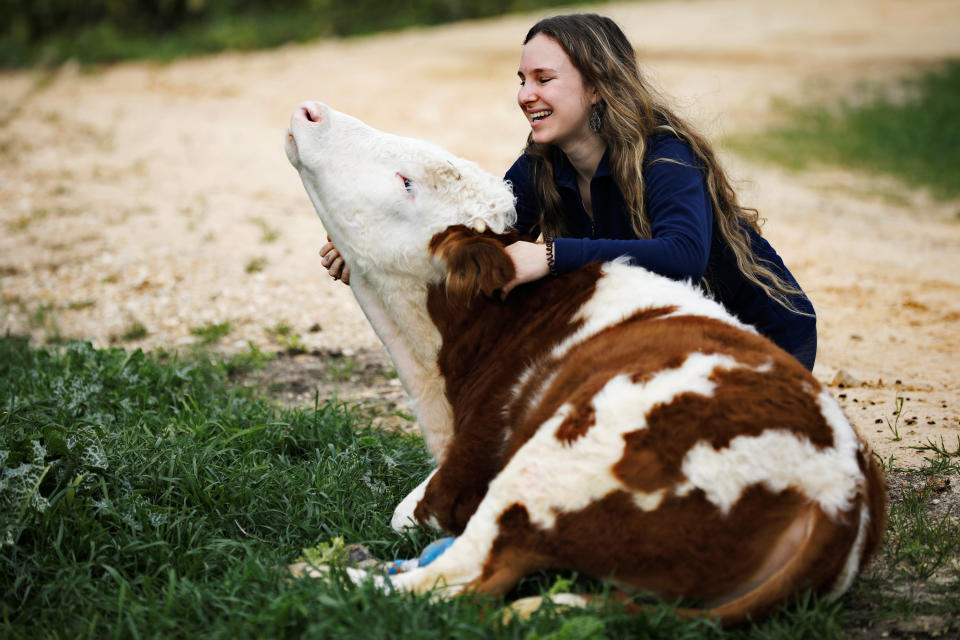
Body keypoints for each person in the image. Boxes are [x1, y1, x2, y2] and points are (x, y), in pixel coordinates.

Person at [322, 13, 817, 371]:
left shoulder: (664, 155)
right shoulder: (542, 165)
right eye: (522, 80)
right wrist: (369, 254)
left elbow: (683, 253)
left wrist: (551, 257)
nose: (525, 95)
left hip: (762, 347)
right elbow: (477, 241)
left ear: (597, 86)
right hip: (673, 347)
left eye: (544, 78)